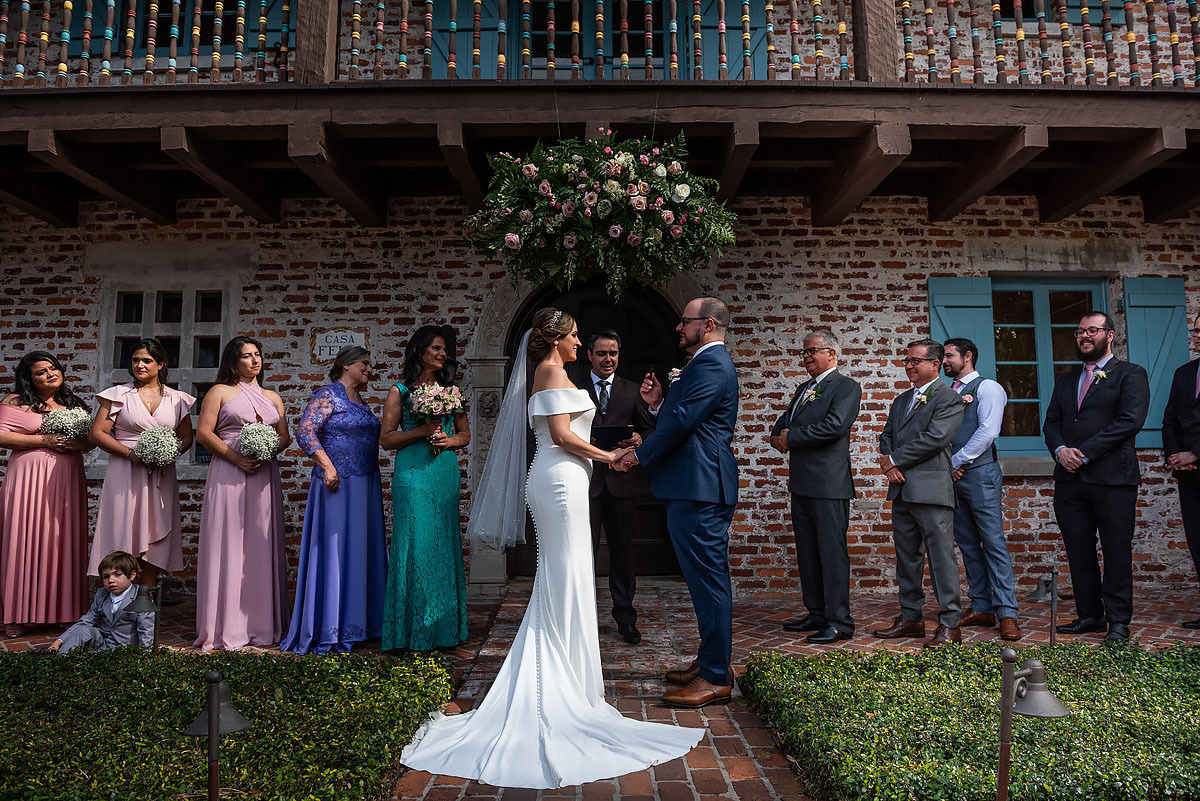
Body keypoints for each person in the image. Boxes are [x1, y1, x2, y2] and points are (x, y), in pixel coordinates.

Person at [399, 308, 702, 788]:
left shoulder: (557, 372)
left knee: (570, 574)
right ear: (556, 339)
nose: (580, 343)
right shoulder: (548, 371)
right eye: (575, 336)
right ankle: (558, 682)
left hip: (567, 479)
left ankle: (573, 680)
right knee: (564, 573)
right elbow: (561, 436)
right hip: (559, 480)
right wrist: (608, 455)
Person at [614, 297, 740, 709]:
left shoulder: (712, 364)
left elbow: (684, 422)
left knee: (709, 582)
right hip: (692, 484)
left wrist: (638, 454)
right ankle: (710, 661)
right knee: (703, 582)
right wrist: (656, 405)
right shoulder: (704, 364)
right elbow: (683, 415)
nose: (678, 328)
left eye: (685, 322)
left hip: (700, 486)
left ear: (707, 324)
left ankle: (716, 676)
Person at [1045, 311, 1150, 642]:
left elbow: (1129, 421)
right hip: (1069, 480)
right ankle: (1090, 615)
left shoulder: (1130, 374)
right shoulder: (1065, 380)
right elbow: (1051, 423)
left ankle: (1118, 621)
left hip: (1112, 479)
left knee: (1116, 550)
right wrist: (1061, 450)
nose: (1084, 336)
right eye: (1080, 332)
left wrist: (1084, 453)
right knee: (1079, 550)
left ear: (1110, 335)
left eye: (1092, 330)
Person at [282, 345, 387, 655]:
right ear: (346, 365)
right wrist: (327, 467)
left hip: (366, 485)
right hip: (337, 485)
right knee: (336, 551)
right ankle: (331, 625)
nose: (369, 369)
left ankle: (363, 623)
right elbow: (305, 432)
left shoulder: (361, 402)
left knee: (361, 550)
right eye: (364, 364)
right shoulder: (328, 395)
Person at [193, 336, 291, 651]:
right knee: (229, 542)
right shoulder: (220, 392)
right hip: (229, 471)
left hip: (263, 474)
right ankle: (225, 625)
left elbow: (284, 436)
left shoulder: (272, 397)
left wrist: (266, 450)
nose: (254, 360)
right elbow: (203, 433)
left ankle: (261, 623)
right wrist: (236, 458)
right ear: (233, 361)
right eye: (247, 356)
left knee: (261, 542)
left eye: (257, 354)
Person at [380, 325, 470, 651]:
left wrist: (449, 440)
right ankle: (411, 630)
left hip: (443, 472)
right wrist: (421, 431)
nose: (443, 354)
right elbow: (386, 438)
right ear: (419, 352)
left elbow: (465, 434)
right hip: (413, 474)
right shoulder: (400, 391)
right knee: (415, 545)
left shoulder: (451, 392)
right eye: (436, 348)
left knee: (443, 545)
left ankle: (444, 629)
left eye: (444, 349)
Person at [770, 329, 861, 644]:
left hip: (829, 484)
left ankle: (840, 621)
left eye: (812, 351)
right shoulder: (804, 388)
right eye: (804, 352)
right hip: (801, 483)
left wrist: (791, 438)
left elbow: (834, 426)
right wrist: (779, 436)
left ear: (831, 354)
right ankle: (817, 612)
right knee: (808, 552)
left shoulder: (846, 387)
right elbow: (784, 422)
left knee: (831, 554)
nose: (806, 357)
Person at [873, 339, 965, 649]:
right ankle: (911, 618)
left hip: (932, 491)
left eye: (916, 360)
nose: (909, 365)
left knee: (941, 560)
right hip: (901, 488)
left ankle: (950, 624)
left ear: (935, 364)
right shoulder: (901, 400)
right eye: (907, 360)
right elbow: (887, 436)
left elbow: (935, 439)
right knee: (907, 560)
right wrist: (890, 466)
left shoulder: (948, 399)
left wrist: (894, 461)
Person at [88, 338, 195, 587]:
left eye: (147, 360)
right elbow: (98, 434)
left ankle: (146, 597)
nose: (140, 365)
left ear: (161, 364)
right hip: (125, 470)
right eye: (135, 360)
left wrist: (167, 453)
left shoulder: (177, 399)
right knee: (122, 528)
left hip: (160, 473)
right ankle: (117, 596)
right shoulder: (118, 395)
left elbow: (187, 437)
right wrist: (130, 454)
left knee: (155, 534)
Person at [0, 351, 92, 639]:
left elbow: (91, 440)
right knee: (23, 539)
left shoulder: (73, 403)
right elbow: (1, 435)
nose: (50, 374)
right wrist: (45, 439)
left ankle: (65, 612)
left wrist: (76, 445)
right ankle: (16, 614)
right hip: (27, 478)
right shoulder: (15, 402)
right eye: (41, 372)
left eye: (53, 368)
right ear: (29, 378)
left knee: (61, 539)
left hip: (66, 478)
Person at [573, 329, 654, 645]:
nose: (608, 359)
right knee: (584, 554)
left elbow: (649, 429)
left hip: (622, 483)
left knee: (623, 554)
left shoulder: (632, 390)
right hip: (585, 482)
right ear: (589, 355)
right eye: (602, 353)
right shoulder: (575, 389)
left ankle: (625, 618)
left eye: (613, 353)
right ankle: (582, 621)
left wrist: (639, 439)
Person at [942, 337, 1021, 641]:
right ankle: (981, 606)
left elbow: (988, 431)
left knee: (992, 541)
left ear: (968, 356)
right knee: (967, 543)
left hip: (980, 474)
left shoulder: (988, 388)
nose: (944, 361)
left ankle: (1007, 612)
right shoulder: (948, 392)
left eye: (949, 356)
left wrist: (956, 461)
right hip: (953, 477)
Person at [1162, 314, 1200, 630]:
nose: (1197, 336)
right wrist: (1175, 456)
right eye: (1196, 330)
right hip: (1189, 475)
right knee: (1197, 540)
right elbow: (1170, 419)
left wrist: (1196, 452)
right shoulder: (1184, 373)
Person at [48, 551, 154, 654]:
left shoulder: (141, 595)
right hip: (103, 643)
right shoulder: (102, 594)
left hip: (125, 648)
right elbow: (86, 621)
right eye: (106, 576)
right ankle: (61, 658)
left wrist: (145, 656)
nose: (111, 580)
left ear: (132, 575)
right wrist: (58, 641)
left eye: (117, 575)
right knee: (83, 630)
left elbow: (146, 629)